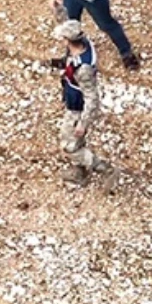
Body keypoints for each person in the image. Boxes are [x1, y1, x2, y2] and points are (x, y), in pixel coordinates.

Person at [45, 14, 116, 189]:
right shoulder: (82, 43)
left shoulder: (83, 69)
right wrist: (58, 9)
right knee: (76, 143)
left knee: (69, 145)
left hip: (77, 109)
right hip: (71, 100)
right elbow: (66, 21)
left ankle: (105, 169)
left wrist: (83, 123)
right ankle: (79, 171)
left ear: (67, 40)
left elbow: (92, 98)